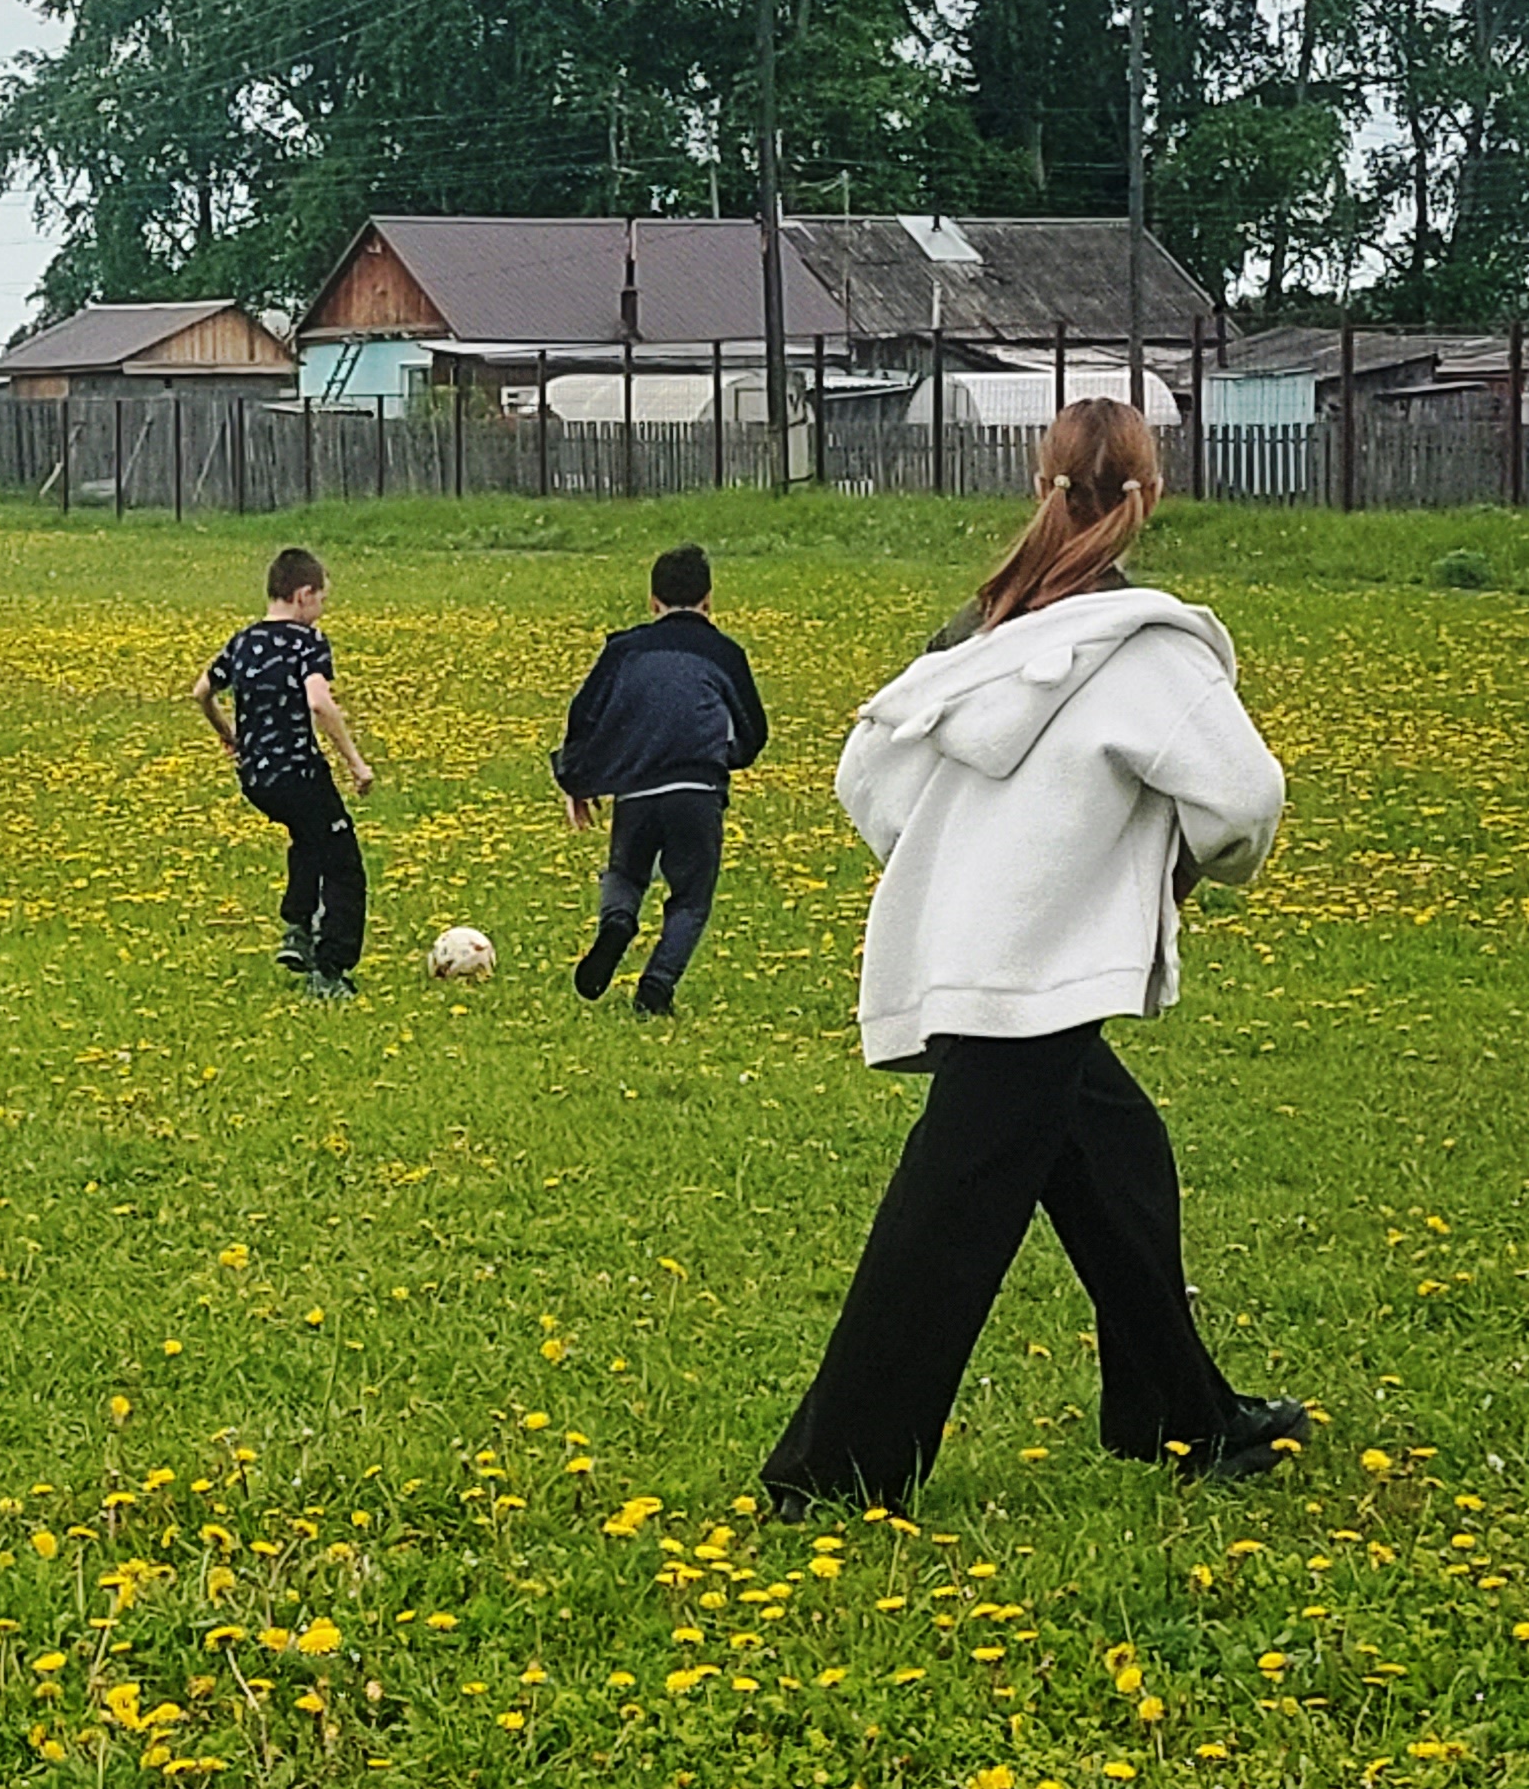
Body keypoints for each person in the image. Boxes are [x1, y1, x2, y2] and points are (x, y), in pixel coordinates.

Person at [760, 401, 1303, 1519]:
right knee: (945, 1225)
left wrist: (950, 865)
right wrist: (1182, 872)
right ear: (1146, 497)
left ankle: (1184, 1415)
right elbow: (1245, 800)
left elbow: (866, 778)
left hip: (965, 952)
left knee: (1119, 1158)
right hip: (1043, 968)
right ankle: (829, 1477)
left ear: (1038, 481)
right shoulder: (1147, 650)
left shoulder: (978, 634)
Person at [553, 541, 768, 1018]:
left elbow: (584, 716)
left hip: (636, 788)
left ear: (652, 603)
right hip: (696, 789)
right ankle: (656, 987)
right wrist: (720, 757)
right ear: (709, 601)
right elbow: (754, 731)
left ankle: (617, 923)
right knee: (691, 896)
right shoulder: (725, 653)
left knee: (626, 873)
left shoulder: (624, 650)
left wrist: (577, 780)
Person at [195, 545, 374, 996]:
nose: (321, 609)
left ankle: (297, 927)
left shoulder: (243, 641)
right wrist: (355, 762)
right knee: (344, 865)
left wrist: (232, 736)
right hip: (299, 773)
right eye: (321, 599)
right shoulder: (306, 642)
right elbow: (318, 701)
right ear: (302, 595)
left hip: (257, 780)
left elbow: (201, 691)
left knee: (309, 836)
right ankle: (330, 971)